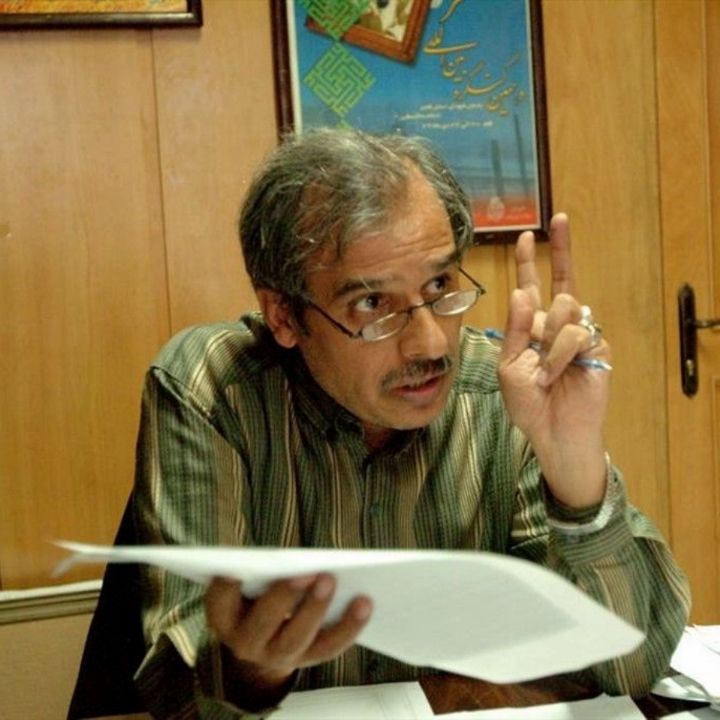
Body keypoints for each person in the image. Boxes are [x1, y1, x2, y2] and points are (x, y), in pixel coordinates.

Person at [130, 128, 689, 718]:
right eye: (372, 304)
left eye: (440, 286)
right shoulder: (217, 391)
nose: (430, 344)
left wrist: (575, 467)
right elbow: (178, 698)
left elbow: (629, 667)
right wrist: (252, 671)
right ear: (284, 316)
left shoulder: (503, 392)